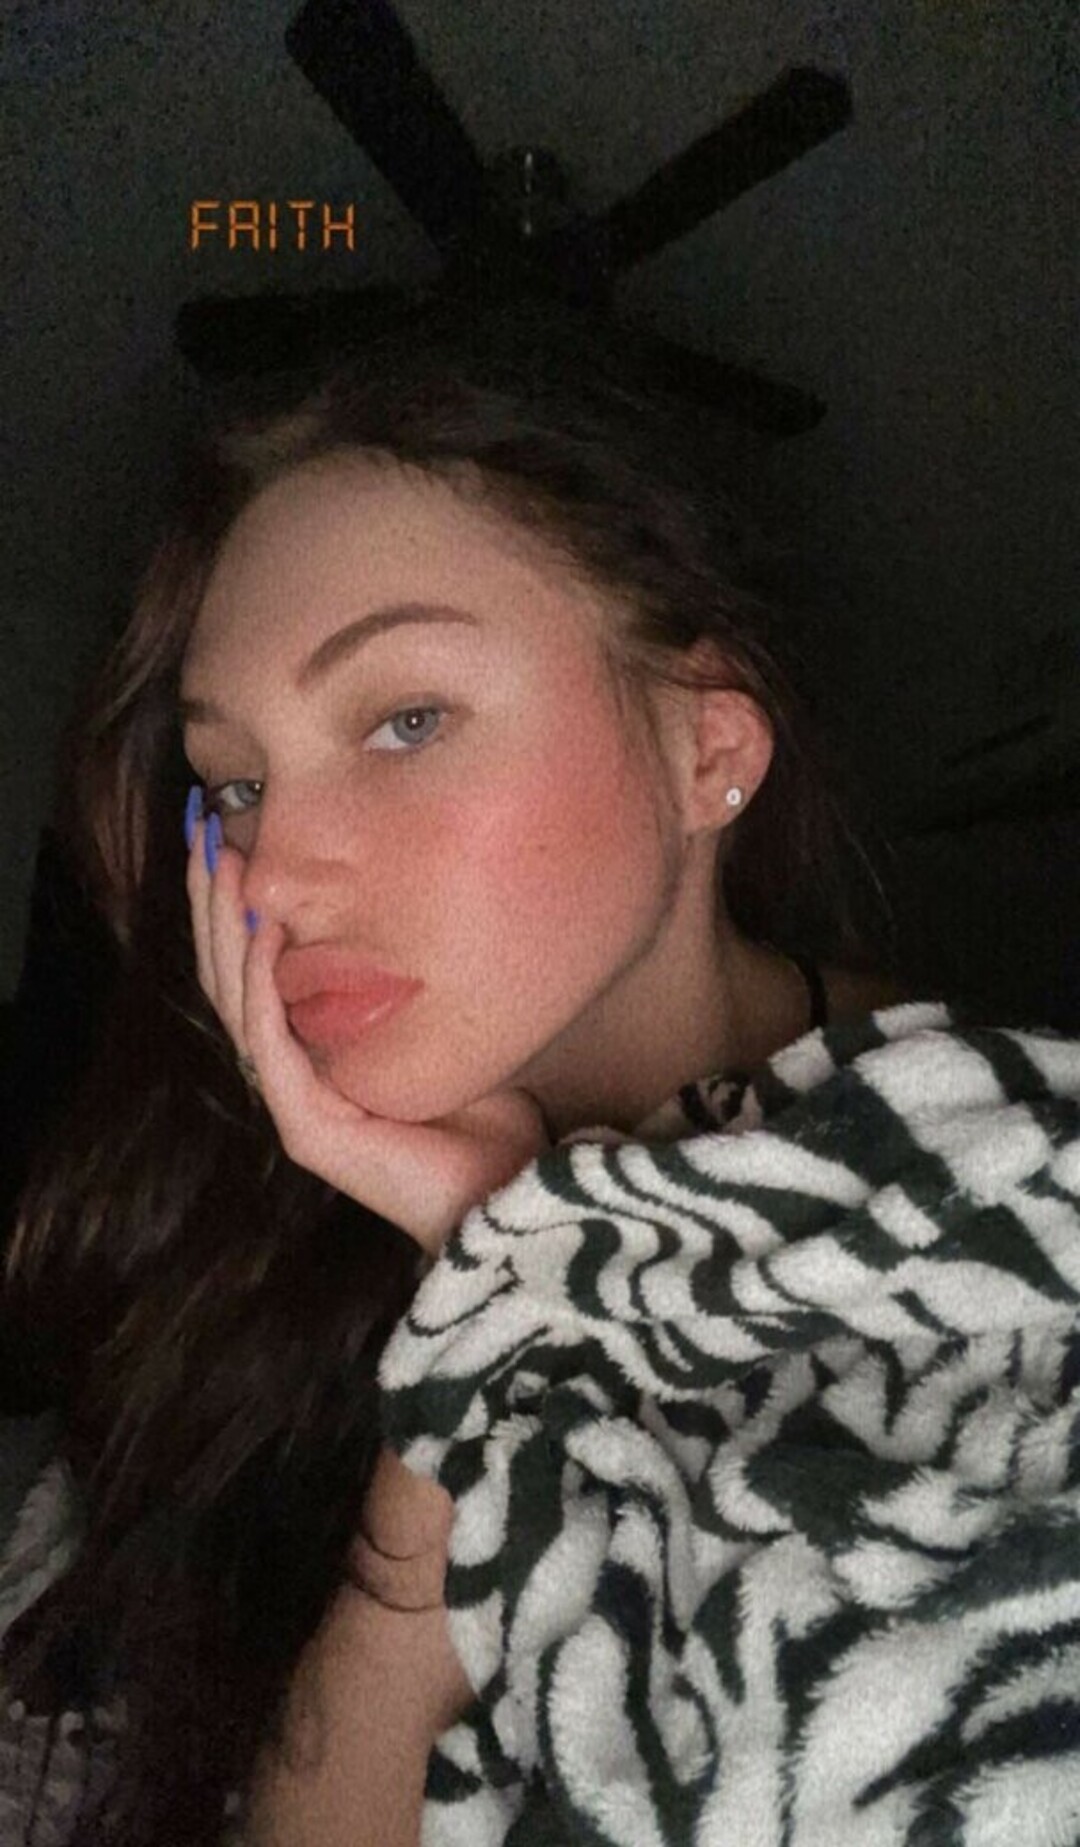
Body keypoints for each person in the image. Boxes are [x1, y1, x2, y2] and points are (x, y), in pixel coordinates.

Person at [1, 299, 1077, 1847]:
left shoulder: (1009, 1203)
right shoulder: (251, 1219)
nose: (273, 873)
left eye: (406, 720)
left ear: (710, 753)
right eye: (233, 783)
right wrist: (498, 1277)